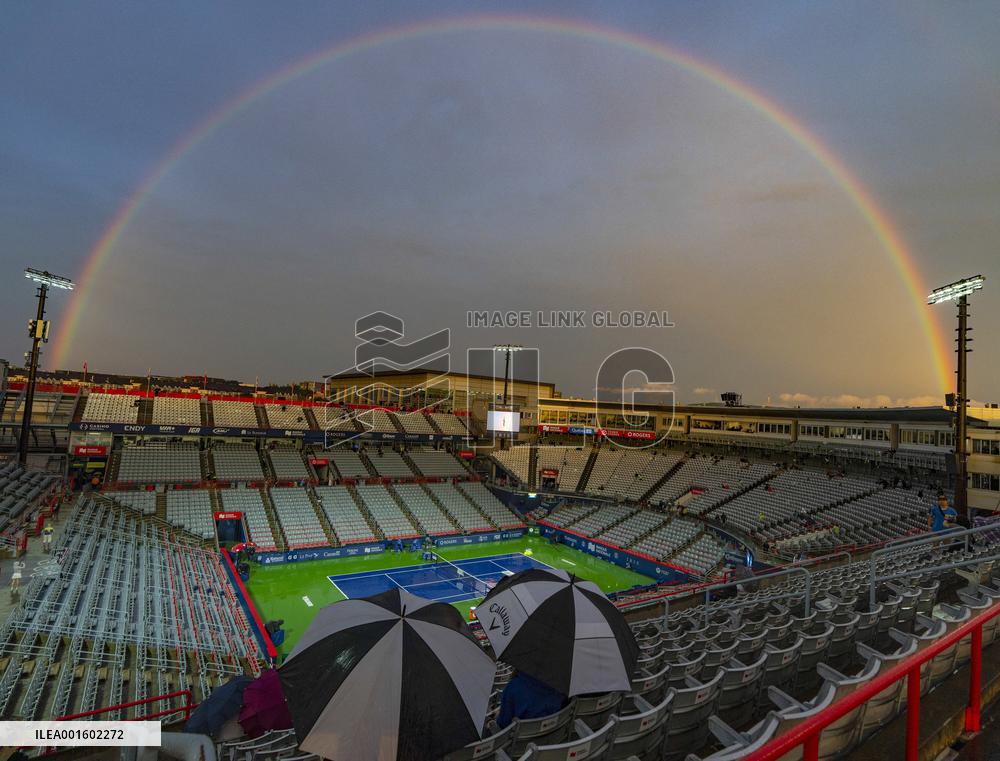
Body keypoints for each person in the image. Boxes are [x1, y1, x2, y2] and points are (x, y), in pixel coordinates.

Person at [497, 671, 568, 728]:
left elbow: (504, 724)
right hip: (553, 737)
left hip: (520, 738)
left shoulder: (514, 686)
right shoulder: (561, 688)